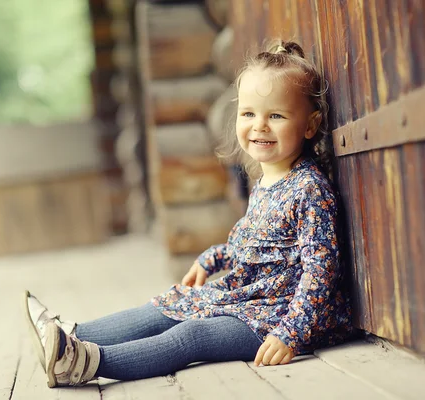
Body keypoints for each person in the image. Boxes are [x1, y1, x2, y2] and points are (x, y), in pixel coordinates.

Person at [23, 40, 354, 388]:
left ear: (309, 125)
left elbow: (321, 273)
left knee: (193, 334)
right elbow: (260, 246)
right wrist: (214, 258)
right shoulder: (268, 179)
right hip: (251, 298)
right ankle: (66, 337)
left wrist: (292, 333)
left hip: (279, 317)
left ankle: (84, 363)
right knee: (177, 300)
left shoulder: (309, 189)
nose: (259, 126)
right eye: (248, 113)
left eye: (276, 115)